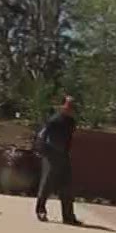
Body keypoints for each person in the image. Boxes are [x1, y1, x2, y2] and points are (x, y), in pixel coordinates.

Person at [34, 96, 80, 225]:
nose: (71, 109)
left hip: (64, 155)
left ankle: (68, 216)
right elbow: (42, 135)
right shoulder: (54, 120)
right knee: (47, 183)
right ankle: (40, 210)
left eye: (73, 107)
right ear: (63, 107)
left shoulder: (71, 122)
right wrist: (41, 149)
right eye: (69, 106)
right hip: (51, 154)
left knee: (67, 186)